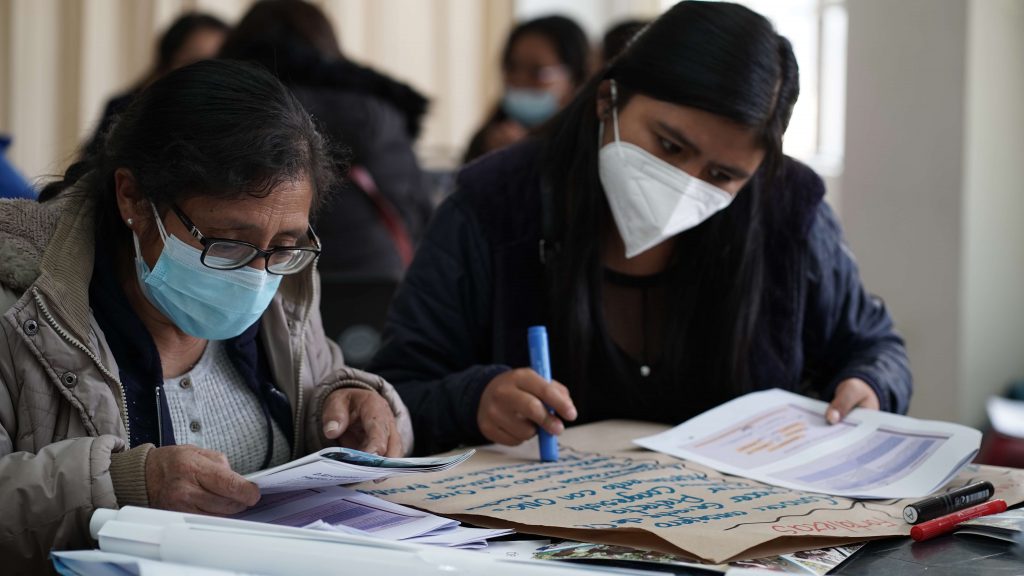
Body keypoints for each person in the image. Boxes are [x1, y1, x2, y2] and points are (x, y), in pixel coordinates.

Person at [370, 1, 912, 456]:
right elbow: (396, 390)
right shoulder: (494, 206)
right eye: (669, 145)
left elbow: (873, 347)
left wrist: (868, 387)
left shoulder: (787, 209)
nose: (684, 182)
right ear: (608, 99)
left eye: (722, 175)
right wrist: (475, 398)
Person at [0, 60, 412, 572]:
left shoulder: (287, 283)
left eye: (283, 244)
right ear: (133, 196)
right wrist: (124, 485)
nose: (256, 274)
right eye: (229, 243)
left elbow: (320, 395)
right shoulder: (20, 307)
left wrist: (348, 403)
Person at [84, 12, 230, 157]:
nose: (208, 72)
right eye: (194, 60)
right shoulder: (124, 107)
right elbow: (92, 167)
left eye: (218, 62)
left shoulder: (229, 113)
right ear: (167, 61)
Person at [463, 15, 590, 164]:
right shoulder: (489, 137)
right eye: (511, 68)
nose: (519, 81)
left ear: (575, 78)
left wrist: (524, 159)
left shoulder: (587, 144)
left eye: (537, 72)